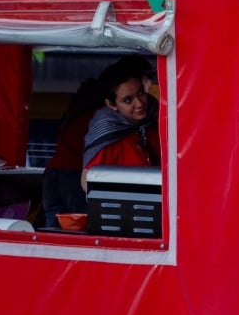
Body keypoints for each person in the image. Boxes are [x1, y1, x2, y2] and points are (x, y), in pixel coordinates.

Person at [81, 59, 161, 186]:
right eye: (128, 100)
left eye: (140, 93)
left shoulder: (155, 120)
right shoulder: (107, 135)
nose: (139, 103)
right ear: (111, 104)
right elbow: (87, 182)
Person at [42, 77, 104, 228]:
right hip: (74, 174)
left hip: (53, 170)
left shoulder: (72, 115)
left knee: (53, 222)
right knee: (78, 224)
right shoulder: (97, 118)